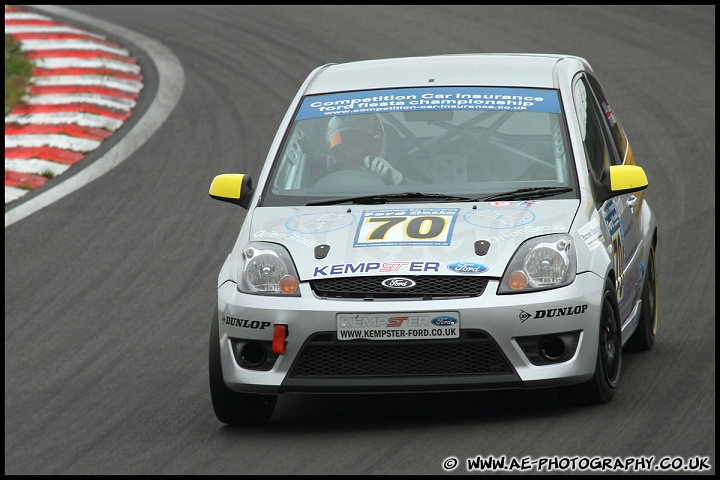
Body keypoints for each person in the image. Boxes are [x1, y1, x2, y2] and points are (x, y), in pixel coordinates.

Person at [325, 114, 404, 184]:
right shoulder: (321, 171)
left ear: (376, 144)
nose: (352, 152)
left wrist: (395, 179)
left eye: (359, 143)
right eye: (345, 144)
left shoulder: (390, 173)